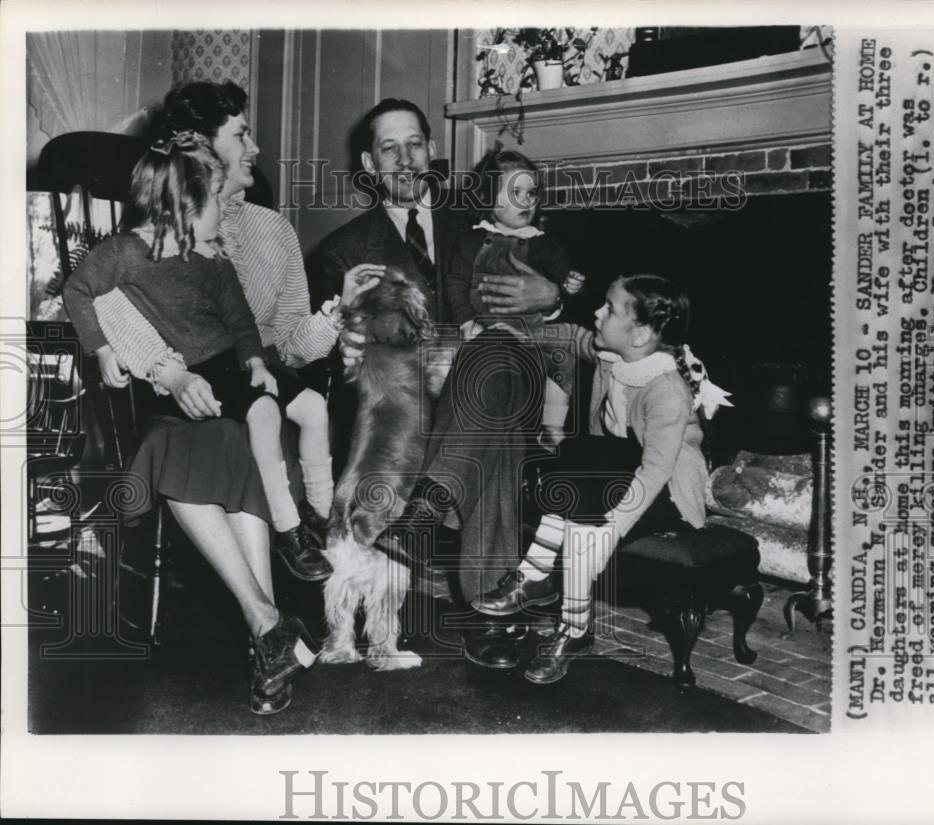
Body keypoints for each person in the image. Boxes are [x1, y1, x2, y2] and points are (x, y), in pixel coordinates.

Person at [64, 134, 327, 715]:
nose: (225, 215)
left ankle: (268, 631)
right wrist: (106, 349)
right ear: (184, 204)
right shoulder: (125, 252)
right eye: (215, 202)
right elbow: (85, 295)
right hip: (165, 405)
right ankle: (270, 626)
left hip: (229, 397)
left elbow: (243, 327)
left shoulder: (213, 257)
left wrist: (258, 362)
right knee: (183, 446)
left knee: (239, 435)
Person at [94, 81, 385, 583]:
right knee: (242, 434)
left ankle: (293, 572)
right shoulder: (160, 231)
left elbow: (292, 349)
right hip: (188, 396)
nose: (255, 148)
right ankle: (267, 617)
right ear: (201, 145)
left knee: (276, 417)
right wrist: (172, 373)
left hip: (258, 383)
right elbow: (112, 309)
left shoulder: (274, 230)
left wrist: (336, 316)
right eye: (242, 135)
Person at [307, 98, 565, 659]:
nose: (404, 159)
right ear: (369, 166)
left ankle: (425, 516)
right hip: (420, 407)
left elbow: (580, 276)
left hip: (500, 373)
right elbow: (332, 362)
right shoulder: (342, 252)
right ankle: (488, 611)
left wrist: (554, 297)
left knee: (494, 356)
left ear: (433, 152)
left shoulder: (488, 219)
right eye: (388, 148)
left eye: (415, 144)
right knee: (489, 412)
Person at [469, 275, 732, 684]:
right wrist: (501, 327)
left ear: (641, 332)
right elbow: (570, 336)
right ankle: (544, 587)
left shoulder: (666, 388)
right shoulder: (614, 357)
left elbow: (655, 470)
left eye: (609, 308)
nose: (597, 311)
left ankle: (566, 620)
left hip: (665, 494)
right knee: (577, 456)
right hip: (613, 476)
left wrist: (612, 528)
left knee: (583, 526)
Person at [446, 148, 585, 449]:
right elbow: (456, 283)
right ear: (487, 197)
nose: (526, 201)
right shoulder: (471, 239)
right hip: (487, 329)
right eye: (515, 192)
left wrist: (569, 285)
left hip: (532, 330)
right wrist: (467, 323)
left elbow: (561, 277)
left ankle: (552, 426)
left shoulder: (544, 243)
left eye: (531, 193)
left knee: (564, 354)